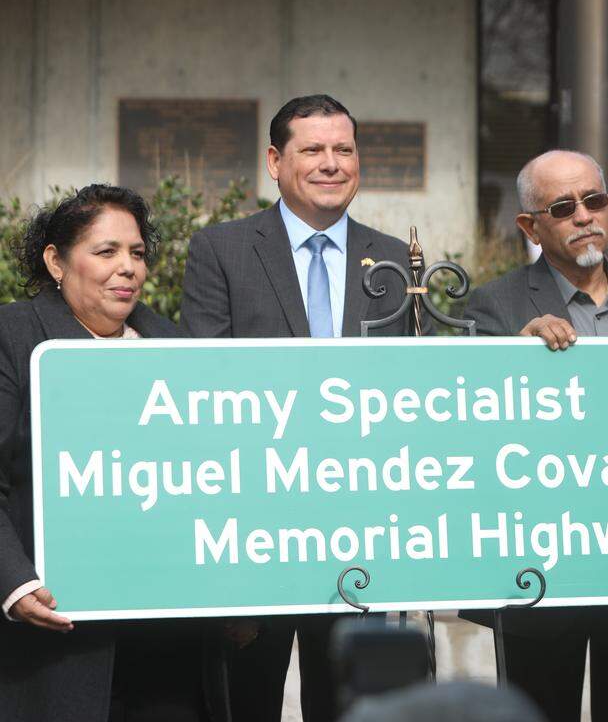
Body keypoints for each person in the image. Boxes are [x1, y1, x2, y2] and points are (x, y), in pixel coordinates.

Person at [180, 94, 420, 722]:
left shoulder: (394, 257)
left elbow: (415, 391)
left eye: (343, 149)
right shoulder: (222, 251)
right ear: (275, 161)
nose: (331, 163)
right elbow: (206, 392)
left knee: (350, 705)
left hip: (360, 526)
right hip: (258, 524)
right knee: (245, 701)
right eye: (312, 149)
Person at [0, 185, 222, 721]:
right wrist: (13, 580)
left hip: (169, 648)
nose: (128, 268)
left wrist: (233, 592)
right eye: (106, 252)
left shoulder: (172, 345)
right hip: (54, 639)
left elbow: (216, 477)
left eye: (138, 253)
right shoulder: (14, 336)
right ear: (57, 260)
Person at [460, 149, 608, 722]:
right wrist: (512, 359)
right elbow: (466, 425)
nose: (584, 216)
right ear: (530, 226)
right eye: (563, 207)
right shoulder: (494, 306)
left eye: (594, 200)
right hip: (541, 562)